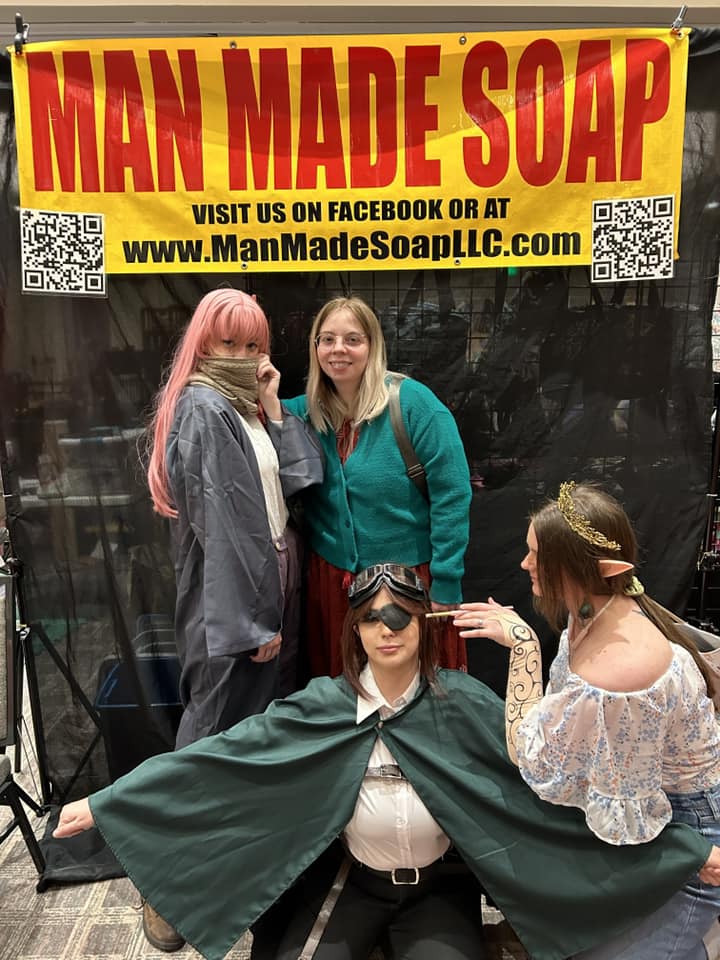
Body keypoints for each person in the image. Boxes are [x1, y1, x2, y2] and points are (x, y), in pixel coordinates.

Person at [55, 565, 714, 960]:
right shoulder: (321, 707)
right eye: (373, 619)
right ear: (356, 631)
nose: (389, 629)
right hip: (355, 882)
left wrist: (683, 851)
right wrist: (108, 803)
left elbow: (549, 794)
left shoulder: (463, 705)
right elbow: (221, 761)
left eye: (402, 616)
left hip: (438, 889)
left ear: (425, 624)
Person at [454, 480, 720, 960]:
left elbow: (529, 752)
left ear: (590, 570)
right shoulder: (593, 615)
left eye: (538, 556)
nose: (524, 564)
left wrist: (523, 648)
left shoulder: (618, 671)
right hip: (672, 823)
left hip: (691, 840)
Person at [142, 287, 323, 949]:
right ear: (204, 343)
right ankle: (165, 880)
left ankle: (231, 872)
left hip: (275, 576)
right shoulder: (203, 406)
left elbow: (304, 480)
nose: (244, 355)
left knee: (255, 729)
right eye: (230, 342)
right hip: (235, 594)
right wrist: (249, 622)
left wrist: (273, 407)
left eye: (255, 344)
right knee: (214, 731)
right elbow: (225, 523)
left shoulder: (243, 407)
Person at [284, 296, 472, 678]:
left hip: (406, 586)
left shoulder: (414, 405)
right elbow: (256, 415)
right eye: (327, 339)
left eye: (352, 339)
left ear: (373, 345)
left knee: (414, 692)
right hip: (334, 587)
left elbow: (452, 495)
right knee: (347, 693)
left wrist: (447, 582)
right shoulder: (306, 412)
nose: (338, 349)